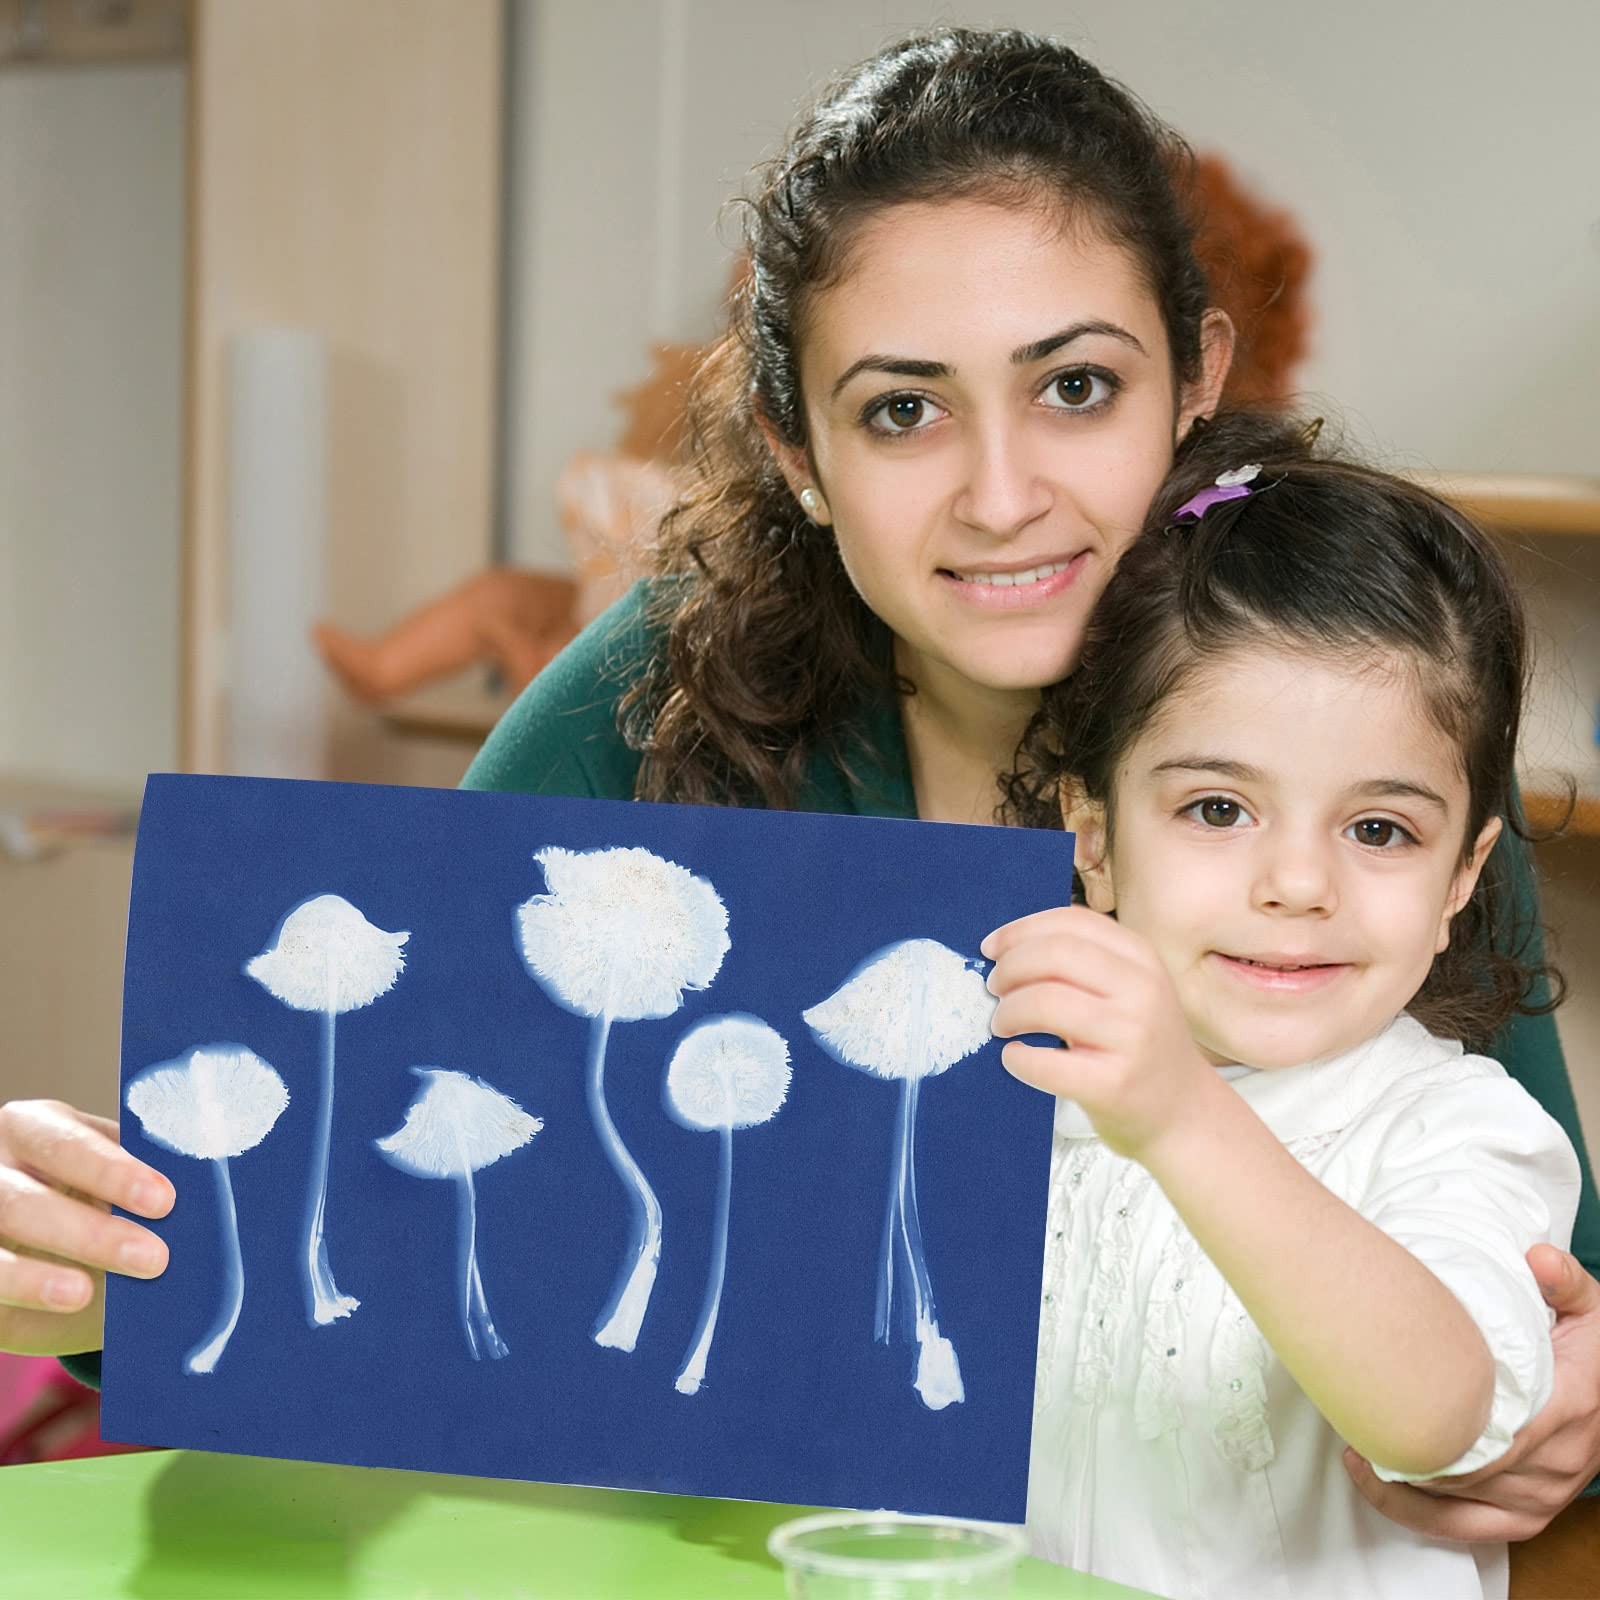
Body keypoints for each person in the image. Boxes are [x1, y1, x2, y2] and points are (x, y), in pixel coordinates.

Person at [3, 25, 1597, 1547]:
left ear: (1194, 379)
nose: (1001, 496)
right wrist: (81, 1248)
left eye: (1076, 387)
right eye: (903, 410)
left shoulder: (1354, 746)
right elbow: (378, 1211)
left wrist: (1574, 1403)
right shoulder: (639, 703)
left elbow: (1533, 1270)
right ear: (795, 452)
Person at [985, 424, 1580, 1597]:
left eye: (1379, 829)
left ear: (1461, 878)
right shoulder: (1013, 1093)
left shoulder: (1457, 1130)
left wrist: (1181, 1116)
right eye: (1217, 809)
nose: (1299, 883)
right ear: (1093, 838)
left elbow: (1433, 1415)